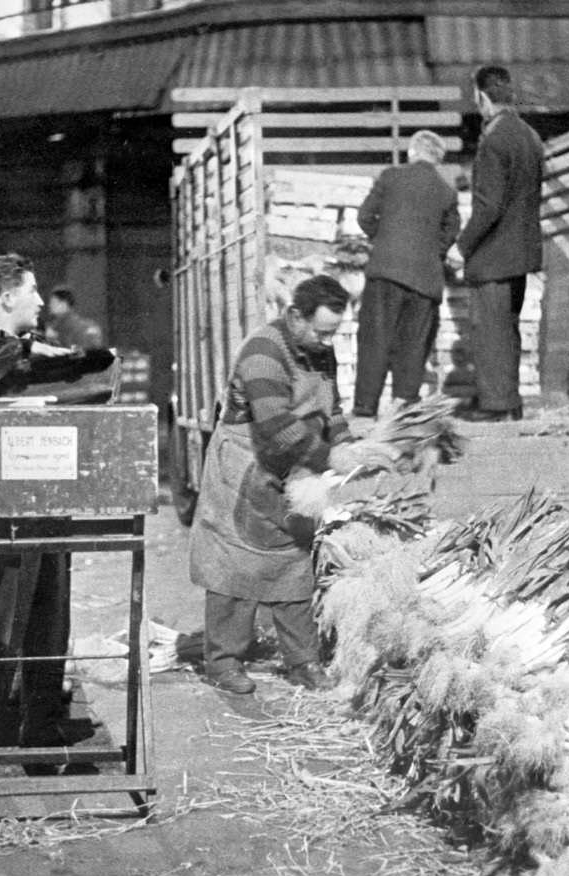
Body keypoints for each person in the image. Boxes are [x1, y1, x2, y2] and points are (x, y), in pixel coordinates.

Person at [0, 252, 106, 780]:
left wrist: (69, 362)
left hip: (48, 497)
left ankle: (40, 733)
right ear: (7, 297)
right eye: (31, 291)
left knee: (50, 618)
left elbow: (92, 380)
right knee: (3, 616)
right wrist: (32, 349)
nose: (39, 300)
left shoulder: (21, 346)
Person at [188, 275, 391, 695]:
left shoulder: (321, 353)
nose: (325, 340)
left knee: (297, 561)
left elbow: (329, 410)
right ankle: (223, 663)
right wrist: (328, 457)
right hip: (245, 467)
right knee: (235, 566)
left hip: (293, 469)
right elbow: (277, 427)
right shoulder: (262, 351)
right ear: (295, 316)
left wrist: (349, 447)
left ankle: (302, 662)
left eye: (332, 333)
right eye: (320, 331)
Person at [353, 130, 461, 420]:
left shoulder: (390, 176)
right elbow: (450, 233)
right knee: (413, 347)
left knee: (375, 341)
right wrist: (429, 251)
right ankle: (403, 414)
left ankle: (365, 409)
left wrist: (385, 239)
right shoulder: (446, 191)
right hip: (426, 281)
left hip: (385, 273)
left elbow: (364, 217)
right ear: (438, 159)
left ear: (412, 152)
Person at [457, 65, 544, 422]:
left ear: (482, 96)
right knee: (507, 330)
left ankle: (495, 407)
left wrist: (460, 246)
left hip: (492, 256)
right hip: (520, 254)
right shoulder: (529, 136)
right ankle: (510, 403)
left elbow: (489, 205)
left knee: (489, 332)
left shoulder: (494, 138)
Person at [44, 285, 104, 352]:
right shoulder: (89, 325)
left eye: (53, 302)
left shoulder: (61, 328)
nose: (49, 306)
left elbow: (78, 353)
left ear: (63, 304)